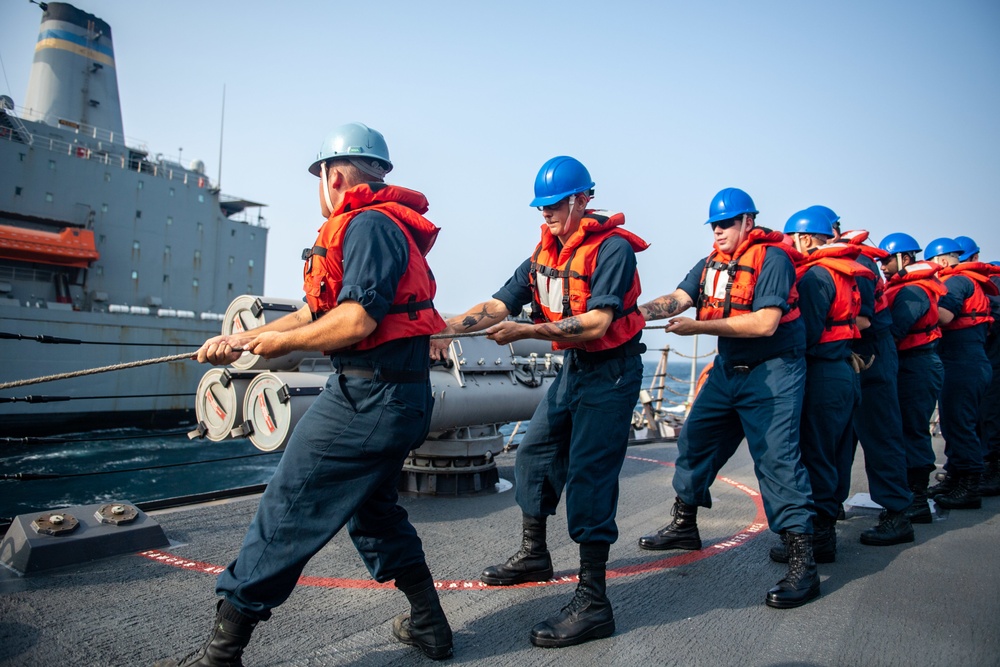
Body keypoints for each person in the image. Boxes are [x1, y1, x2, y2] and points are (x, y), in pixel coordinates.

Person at [156, 123, 454, 666]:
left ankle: (222, 652)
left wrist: (278, 342)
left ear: (332, 175)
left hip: (369, 397)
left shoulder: (367, 227)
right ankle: (429, 623)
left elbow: (356, 319)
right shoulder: (375, 227)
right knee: (375, 515)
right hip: (396, 397)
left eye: (318, 177)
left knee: (287, 508)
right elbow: (318, 313)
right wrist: (245, 340)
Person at [431, 155, 647, 648]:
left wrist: (529, 330)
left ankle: (594, 602)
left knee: (591, 475)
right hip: (577, 369)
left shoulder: (612, 250)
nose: (545, 214)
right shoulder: (542, 256)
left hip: (611, 373)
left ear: (580, 200)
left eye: (553, 205)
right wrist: (440, 330)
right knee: (535, 453)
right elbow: (498, 304)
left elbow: (596, 323)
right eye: (541, 206)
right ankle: (535, 554)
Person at [636, 188, 819, 610]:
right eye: (715, 225)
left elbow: (766, 322)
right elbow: (679, 299)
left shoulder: (772, 260)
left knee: (777, 460)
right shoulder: (710, 265)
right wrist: (630, 315)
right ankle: (685, 524)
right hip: (728, 371)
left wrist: (699, 329)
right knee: (695, 440)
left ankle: (801, 562)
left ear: (748, 223)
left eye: (727, 224)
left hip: (772, 371)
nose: (719, 231)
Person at [813, 208, 914, 544]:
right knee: (841, 439)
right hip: (848, 356)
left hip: (871, 355)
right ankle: (829, 509)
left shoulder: (860, 265)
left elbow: (863, 319)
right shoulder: (833, 265)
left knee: (880, 434)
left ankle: (898, 514)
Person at [879, 233, 948, 522]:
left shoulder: (912, 292)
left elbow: (895, 331)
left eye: (886, 260)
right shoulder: (908, 287)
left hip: (916, 365)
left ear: (904, 259)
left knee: (914, 429)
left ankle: (917, 499)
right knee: (908, 428)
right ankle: (911, 494)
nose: (883, 267)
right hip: (911, 364)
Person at [923, 237, 997, 510]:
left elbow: (944, 317)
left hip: (963, 363)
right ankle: (955, 478)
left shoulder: (955, 282)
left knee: (960, 425)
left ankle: (968, 487)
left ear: (941, 261)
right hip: (969, 362)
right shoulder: (970, 280)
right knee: (957, 424)